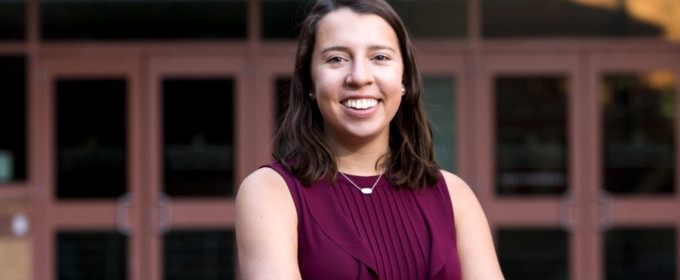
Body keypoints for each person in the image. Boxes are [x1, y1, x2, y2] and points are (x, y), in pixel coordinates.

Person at [236, 0, 504, 278]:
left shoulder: (454, 195)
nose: (360, 77)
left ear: (404, 79)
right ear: (310, 82)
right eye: (336, 59)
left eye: (380, 57)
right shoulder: (271, 192)